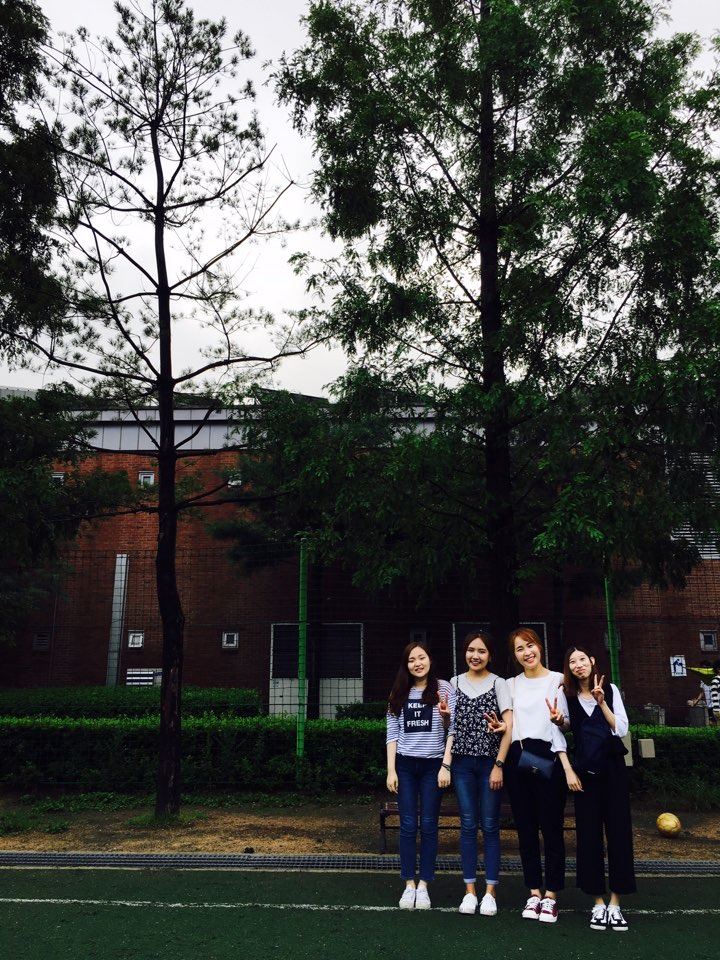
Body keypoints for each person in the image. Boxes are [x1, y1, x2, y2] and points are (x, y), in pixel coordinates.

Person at [503, 627, 580, 924]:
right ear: (515, 656)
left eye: (530, 645)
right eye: (520, 648)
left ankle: (551, 895)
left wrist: (561, 720)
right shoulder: (510, 685)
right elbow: (509, 725)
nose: (527, 652)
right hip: (518, 759)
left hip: (550, 759)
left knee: (552, 829)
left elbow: (569, 723)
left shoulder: (558, 680)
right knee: (525, 829)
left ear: (539, 646)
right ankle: (533, 892)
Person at [561, 646, 635, 932]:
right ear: (569, 668)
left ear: (592, 661)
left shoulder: (611, 690)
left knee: (619, 833)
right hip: (585, 775)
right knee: (588, 836)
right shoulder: (567, 695)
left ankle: (615, 903)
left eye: (582, 659)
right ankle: (598, 903)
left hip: (613, 770)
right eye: (572, 662)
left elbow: (622, 729)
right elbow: (564, 728)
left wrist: (602, 703)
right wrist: (560, 721)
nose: (578, 665)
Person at [447, 631, 512, 916]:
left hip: (489, 765)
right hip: (462, 765)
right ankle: (470, 891)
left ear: (490, 655)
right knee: (467, 825)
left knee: (490, 826)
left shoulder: (499, 683)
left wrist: (499, 765)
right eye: (471, 650)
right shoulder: (454, 682)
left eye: (482, 651)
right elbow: (450, 726)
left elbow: (508, 727)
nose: (475, 656)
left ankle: (490, 893)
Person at [386, 642, 454, 910]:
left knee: (428, 825)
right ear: (406, 665)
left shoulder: (444, 688)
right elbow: (392, 732)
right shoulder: (398, 692)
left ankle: (424, 885)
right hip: (405, 766)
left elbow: (452, 728)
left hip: (432, 766)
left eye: (422, 657)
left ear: (430, 660)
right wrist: (391, 770)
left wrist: (445, 765)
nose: (418, 663)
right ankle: (408, 884)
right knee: (407, 825)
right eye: (412, 659)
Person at [711, 660, 720, 725]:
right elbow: (714, 696)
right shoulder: (715, 680)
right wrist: (717, 711)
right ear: (718, 669)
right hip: (718, 709)